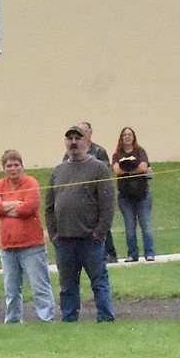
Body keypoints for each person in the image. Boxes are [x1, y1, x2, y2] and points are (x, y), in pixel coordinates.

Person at [45, 124, 116, 323]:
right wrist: (53, 234)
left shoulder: (98, 169)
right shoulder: (57, 171)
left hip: (90, 240)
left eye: (78, 138)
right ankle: (69, 320)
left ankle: (105, 318)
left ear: (87, 142)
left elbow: (108, 204)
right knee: (67, 285)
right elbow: (49, 206)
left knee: (99, 281)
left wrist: (100, 232)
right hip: (64, 241)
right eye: (70, 139)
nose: (74, 143)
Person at [0, 149, 54, 323]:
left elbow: (28, 208)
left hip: (32, 246)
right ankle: (13, 321)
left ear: (22, 166)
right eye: (9, 165)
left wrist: (5, 208)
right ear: (4, 168)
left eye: (16, 164)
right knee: (11, 289)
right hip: (7, 247)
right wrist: (15, 204)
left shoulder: (31, 182)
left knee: (39, 286)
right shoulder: (0, 185)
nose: (13, 169)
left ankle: (46, 319)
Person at [63, 121, 119, 263]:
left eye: (83, 132)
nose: (74, 141)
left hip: (95, 196)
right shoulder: (68, 154)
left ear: (89, 133)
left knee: (103, 226)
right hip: (78, 200)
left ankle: (110, 254)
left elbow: (105, 171)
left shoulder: (99, 151)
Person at [112, 126, 155, 262]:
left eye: (130, 134)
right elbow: (117, 170)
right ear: (121, 138)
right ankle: (132, 254)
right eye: (125, 135)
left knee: (146, 225)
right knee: (130, 228)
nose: (127, 137)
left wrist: (128, 170)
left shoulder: (140, 151)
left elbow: (144, 167)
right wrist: (135, 169)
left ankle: (149, 253)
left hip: (142, 195)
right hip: (125, 197)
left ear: (134, 137)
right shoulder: (117, 155)